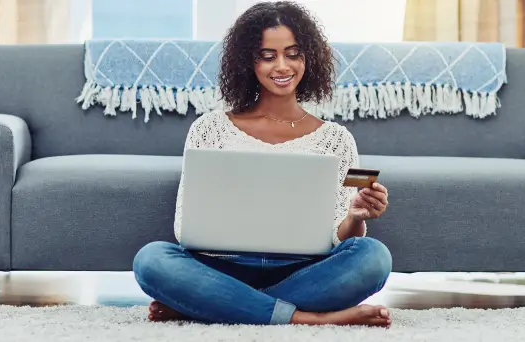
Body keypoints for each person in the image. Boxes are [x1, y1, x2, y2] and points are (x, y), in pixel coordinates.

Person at [132, 1, 393, 327]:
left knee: (374, 257)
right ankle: (306, 318)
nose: (282, 66)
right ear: (248, 62)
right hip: (222, 267)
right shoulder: (209, 129)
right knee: (151, 260)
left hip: (302, 270)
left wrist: (355, 215)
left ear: (308, 57)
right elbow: (184, 227)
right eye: (268, 56)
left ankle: (215, 305)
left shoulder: (337, 139)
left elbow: (340, 238)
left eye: (293, 54)